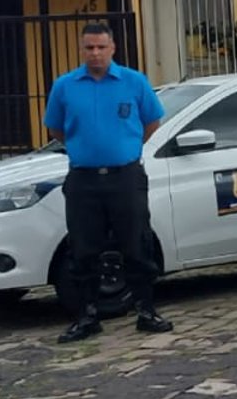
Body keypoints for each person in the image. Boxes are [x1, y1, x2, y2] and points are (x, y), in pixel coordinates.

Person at [44, 20, 169, 341]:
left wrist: (125, 148)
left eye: (101, 47)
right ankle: (87, 316)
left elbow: (151, 122)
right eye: (89, 47)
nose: (95, 53)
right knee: (83, 249)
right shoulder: (65, 86)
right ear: (81, 49)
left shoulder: (133, 82)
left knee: (136, 244)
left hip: (125, 177)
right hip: (83, 180)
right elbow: (56, 129)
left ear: (112, 48)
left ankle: (146, 311)